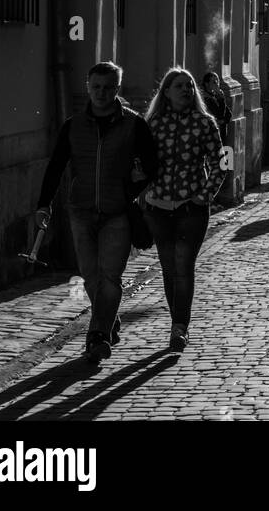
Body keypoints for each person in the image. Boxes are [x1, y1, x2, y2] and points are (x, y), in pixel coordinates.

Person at [35, 61, 158, 364]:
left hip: (117, 213)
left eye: (108, 87)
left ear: (117, 88)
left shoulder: (134, 124)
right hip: (81, 211)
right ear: (88, 88)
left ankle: (98, 336)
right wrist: (43, 204)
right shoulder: (74, 125)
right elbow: (55, 167)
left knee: (110, 277)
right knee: (91, 277)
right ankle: (108, 318)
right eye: (96, 87)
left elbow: (153, 165)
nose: (101, 93)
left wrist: (133, 190)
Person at [144, 67, 224, 352]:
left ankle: (180, 327)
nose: (186, 90)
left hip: (192, 207)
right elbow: (141, 163)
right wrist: (143, 192)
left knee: (183, 266)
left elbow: (220, 162)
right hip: (158, 206)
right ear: (166, 92)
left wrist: (205, 195)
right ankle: (176, 321)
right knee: (168, 268)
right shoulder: (153, 124)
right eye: (179, 86)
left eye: (189, 86)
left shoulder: (205, 123)